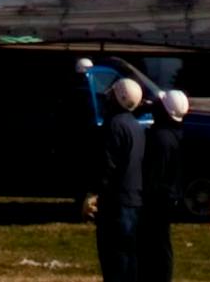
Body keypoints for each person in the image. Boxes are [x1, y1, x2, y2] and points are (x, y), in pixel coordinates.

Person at [86, 76, 145, 282]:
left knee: (114, 261)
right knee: (130, 259)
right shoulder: (135, 126)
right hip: (134, 200)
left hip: (116, 202)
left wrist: (94, 193)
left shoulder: (114, 125)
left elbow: (107, 165)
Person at [138, 89, 189, 282]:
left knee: (156, 245)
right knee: (160, 244)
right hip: (167, 198)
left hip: (157, 201)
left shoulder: (161, 139)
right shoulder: (173, 134)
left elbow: (153, 176)